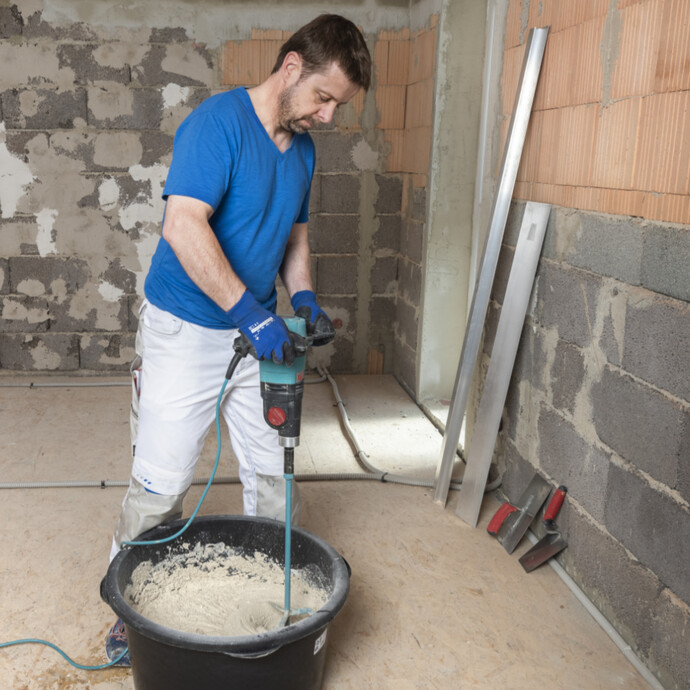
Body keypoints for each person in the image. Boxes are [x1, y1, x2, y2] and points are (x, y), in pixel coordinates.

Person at [105, 14, 371, 665]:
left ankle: (274, 597)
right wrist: (251, 314)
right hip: (187, 330)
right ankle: (124, 612)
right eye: (323, 97)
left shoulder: (303, 149)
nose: (329, 115)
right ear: (290, 68)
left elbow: (295, 237)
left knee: (275, 471)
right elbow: (183, 226)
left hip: (259, 334)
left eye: (338, 103)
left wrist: (301, 297)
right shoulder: (216, 125)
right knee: (162, 480)